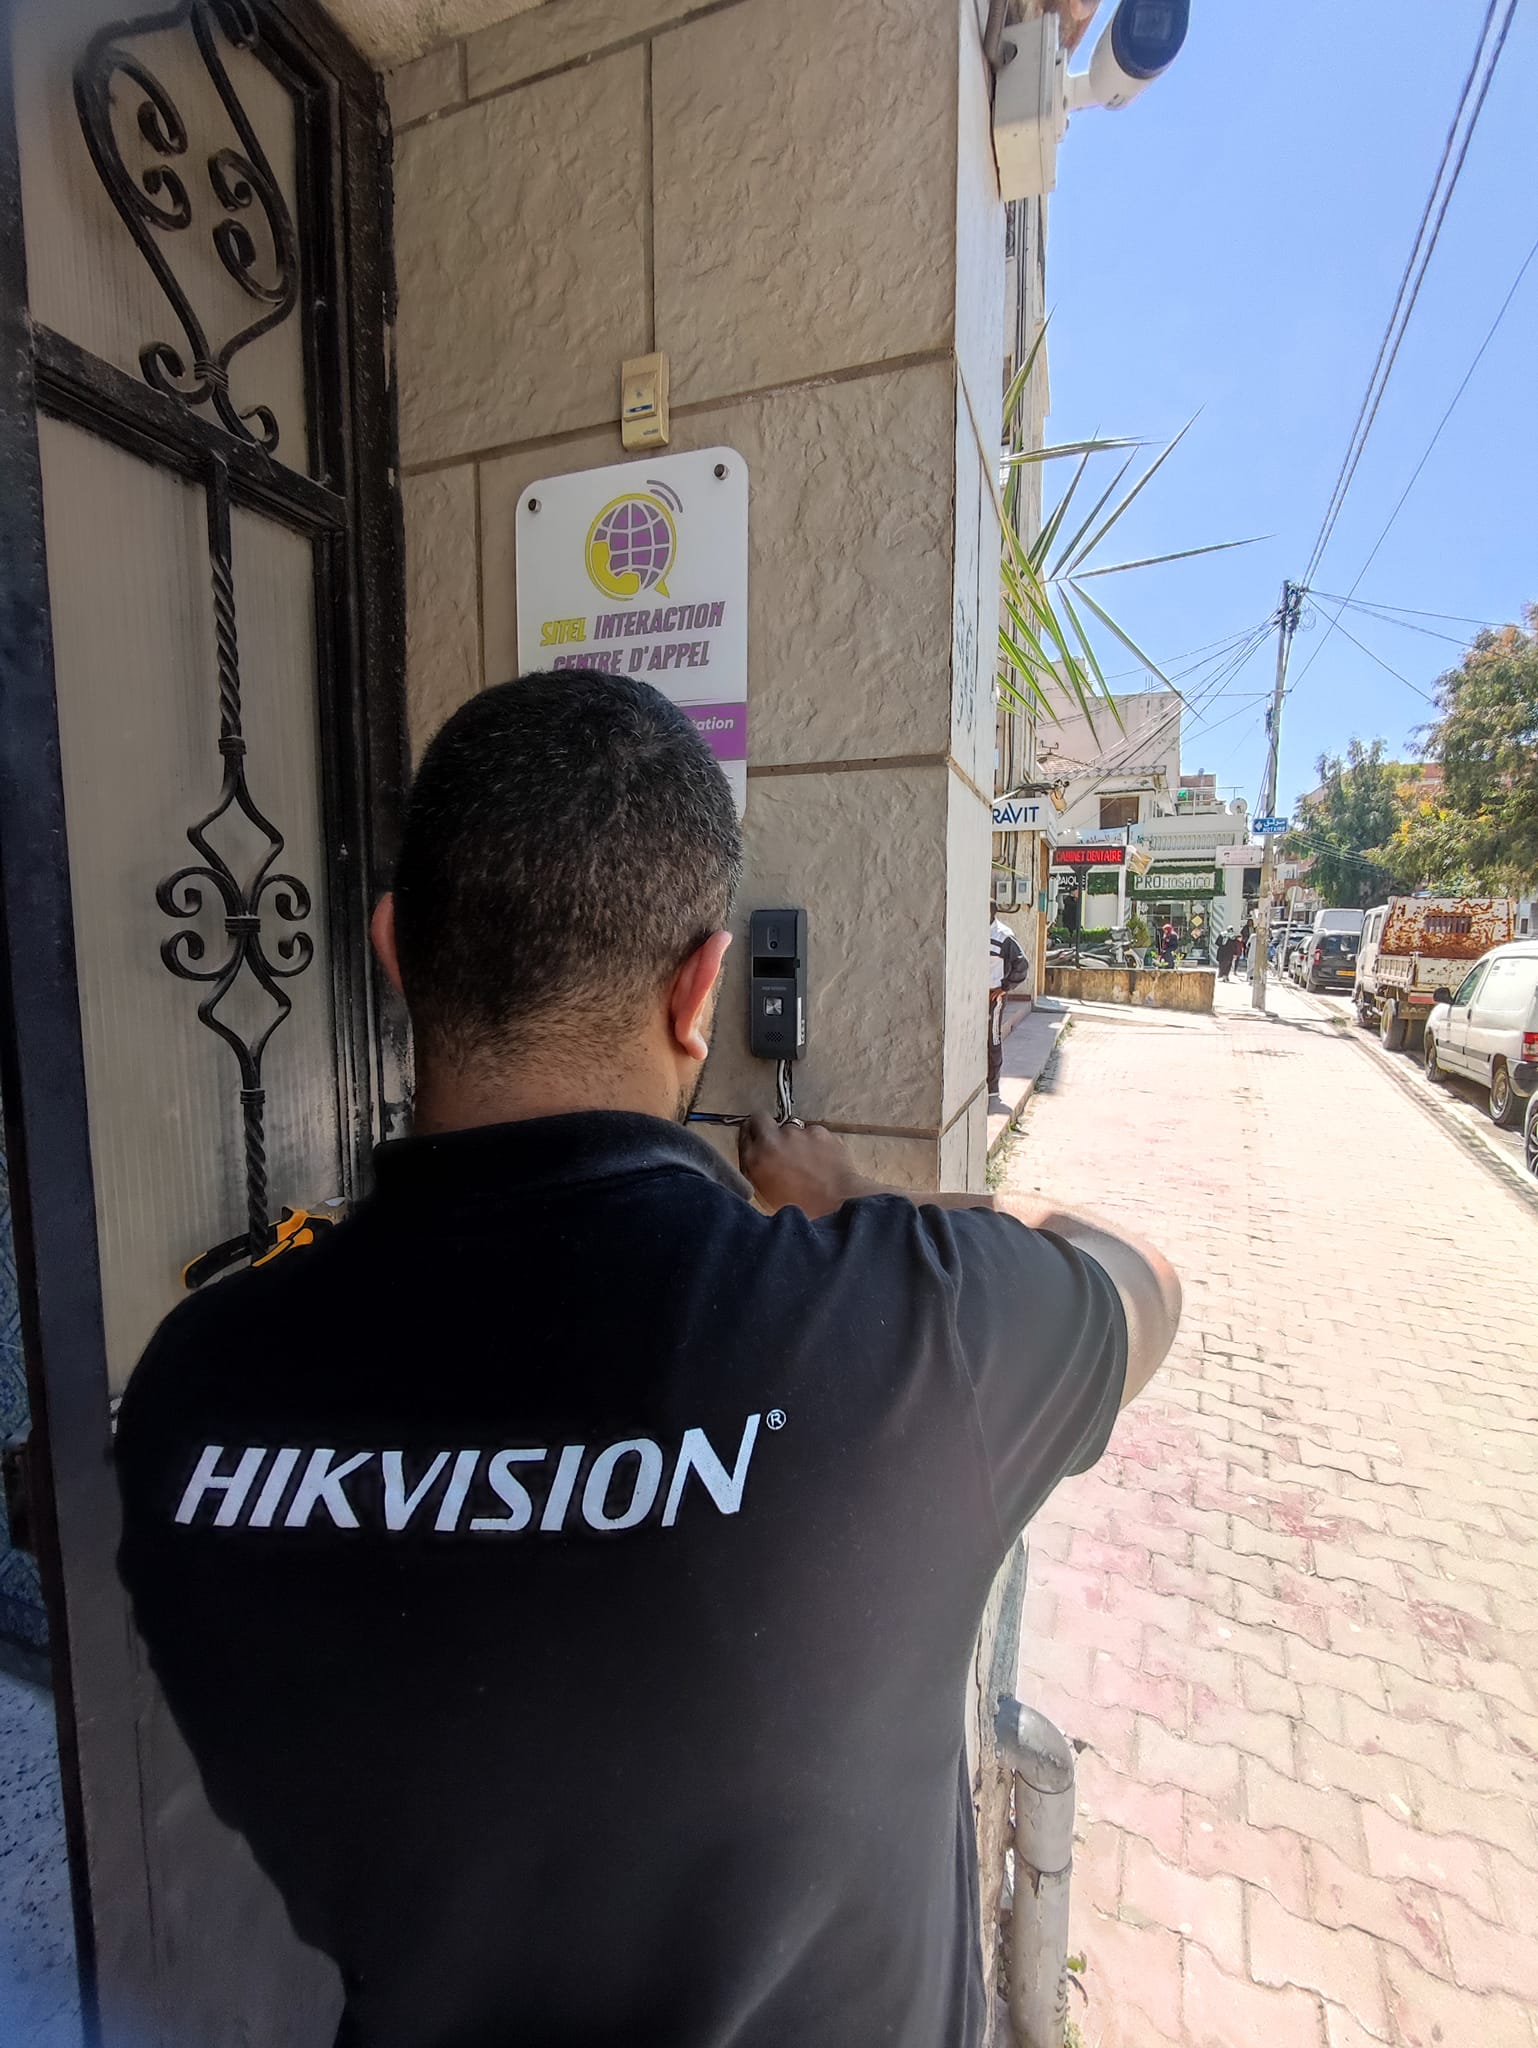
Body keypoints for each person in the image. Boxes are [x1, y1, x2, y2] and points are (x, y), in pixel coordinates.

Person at [114, 670, 1181, 2048]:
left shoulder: (190, 1395)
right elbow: (1139, 1275)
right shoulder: (911, 1342)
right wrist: (855, 1199)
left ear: (391, 953)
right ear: (700, 989)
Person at [988, 901, 1028, 1098]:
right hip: (974, 994)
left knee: (992, 1038)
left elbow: (1021, 964)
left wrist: (1004, 987)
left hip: (993, 996)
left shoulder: (1003, 936)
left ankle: (992, 1085)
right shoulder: (974, 930)